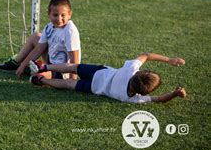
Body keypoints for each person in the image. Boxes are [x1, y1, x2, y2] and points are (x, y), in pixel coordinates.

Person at [29, 52, 186, 103]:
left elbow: (146, 55)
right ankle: (41, 80)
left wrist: (169, 60)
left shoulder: (130, 69)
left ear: (138, 73)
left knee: (74, 67)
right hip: (94, 89)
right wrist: (174, 94)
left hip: (98, 72)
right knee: (70, 84)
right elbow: (158, 99)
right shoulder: (133, 99)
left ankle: (44, 66)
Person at [0, 0, 81, 80]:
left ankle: (37, 69)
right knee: (36, 36)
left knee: (36, 75)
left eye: (63, 15)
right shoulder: (49, 27)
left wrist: (72, 80)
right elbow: (38, 49)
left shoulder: (70, 31)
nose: (59, 18)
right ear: (49, 14)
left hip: (64, 70)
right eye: (55, 15)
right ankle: (17, 63)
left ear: (69, 15)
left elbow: (74, 58)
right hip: (51, 62)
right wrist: (23, 65)